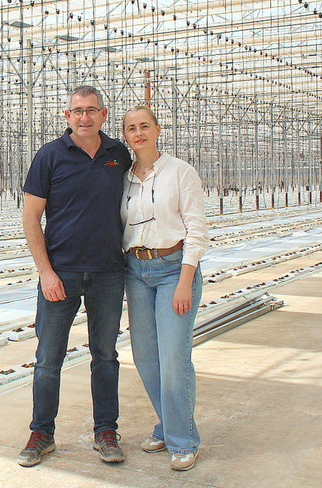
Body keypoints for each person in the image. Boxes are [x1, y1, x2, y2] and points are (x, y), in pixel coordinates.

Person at [17, 85, 131, 467]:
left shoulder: (119, 154)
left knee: (106, 355)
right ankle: (41, 433)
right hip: (60, 274)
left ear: (104, 114)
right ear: (67, 116)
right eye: (77, 110)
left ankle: (106, 431)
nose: (84, 117)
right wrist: (45, 272)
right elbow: (31, 218)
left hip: (108, 273)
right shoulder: (50, 155)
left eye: (92, 110)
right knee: (48, 358)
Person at [119, 104, 209, 472]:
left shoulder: (180, 172)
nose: (138, 133)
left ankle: (183, 440)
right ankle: (168, 425)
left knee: (174, 360)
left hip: (174, 270)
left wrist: (186, 280)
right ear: (125, 136)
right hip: (136, 270)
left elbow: (197, 229)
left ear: (157, 129)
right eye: (131, 128)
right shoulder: (123, 178)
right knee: (146, 358)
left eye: (145, 126)